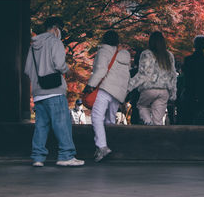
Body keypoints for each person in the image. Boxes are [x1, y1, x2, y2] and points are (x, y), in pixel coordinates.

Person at [23, 16, 84, 167]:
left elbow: (27, 69)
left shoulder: (33, 45)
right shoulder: (55, 42)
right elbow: (59, 64)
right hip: (55, 90)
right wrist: (67, 70)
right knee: (62, 124)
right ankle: (66, 155)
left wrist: (38, 82)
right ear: (56, 28)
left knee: (41, 125)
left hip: (38, 92)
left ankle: (38, 157)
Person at [86, 30, 133, 162]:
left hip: (105, 88)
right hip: (118, 92)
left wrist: (91, 85)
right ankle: (114, 147)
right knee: (110, 120)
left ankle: (102, 146)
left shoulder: (103, 51)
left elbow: (101, 70)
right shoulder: (123, 56)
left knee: (96, 116)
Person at [128, 31, 176, 125]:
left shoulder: (146, 54)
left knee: (142, 106)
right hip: (164, 91)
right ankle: (157, 137)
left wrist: (129, 87)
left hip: (149, 89)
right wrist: (173, 93)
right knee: (158, 120)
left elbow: (143, 74)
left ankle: (148, 122)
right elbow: (173, 75)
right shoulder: (169, 55)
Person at [179, 36, 204, 125]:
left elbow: (185, 74)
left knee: (187, 119)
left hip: (190, 91)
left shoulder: (188, 60)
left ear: (194, 45)